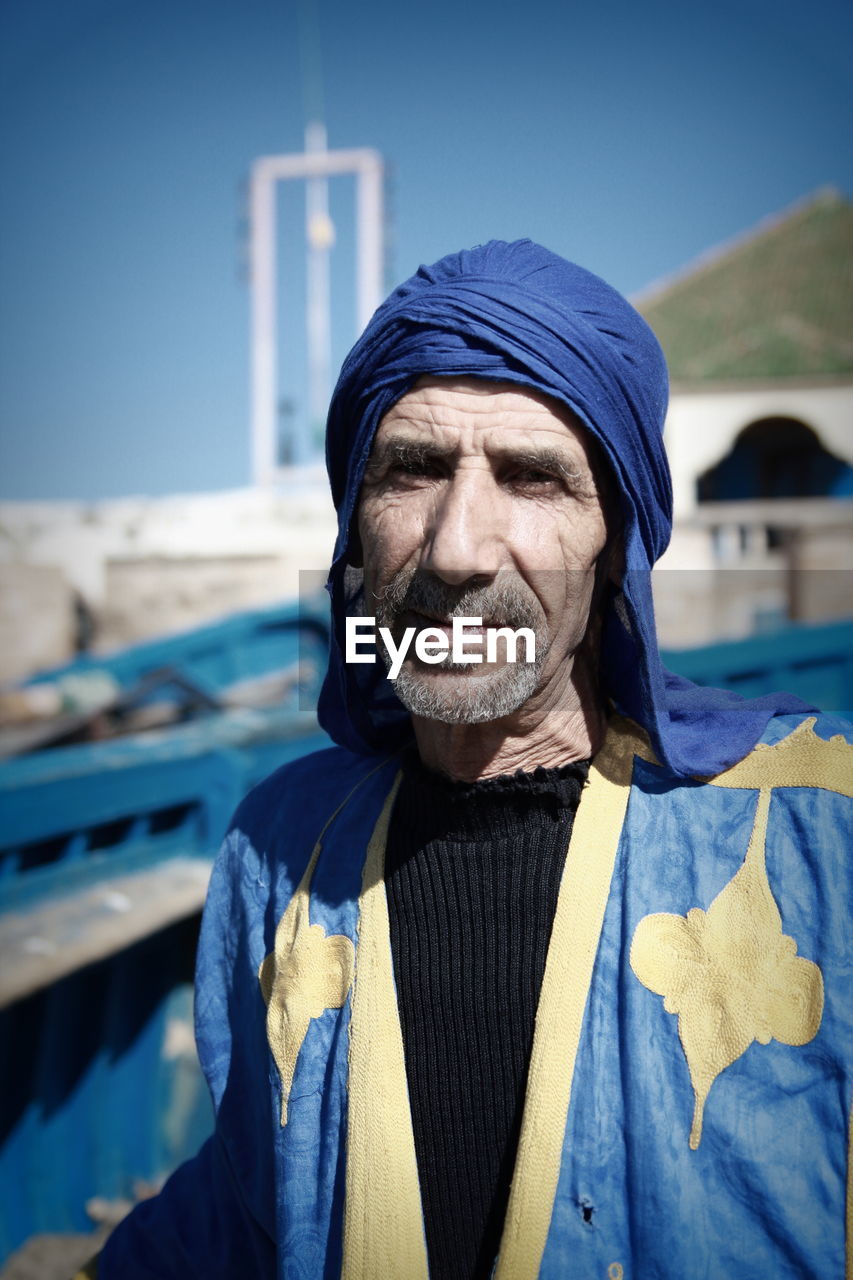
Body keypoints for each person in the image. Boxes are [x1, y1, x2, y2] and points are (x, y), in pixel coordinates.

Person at [89, 241, 852, 1279]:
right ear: (355, 522)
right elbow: (247, 1201)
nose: (456, 550)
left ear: (614, 541)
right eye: (412, 468)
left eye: (534, 478)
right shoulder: (280, 847)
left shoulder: (818, 828)